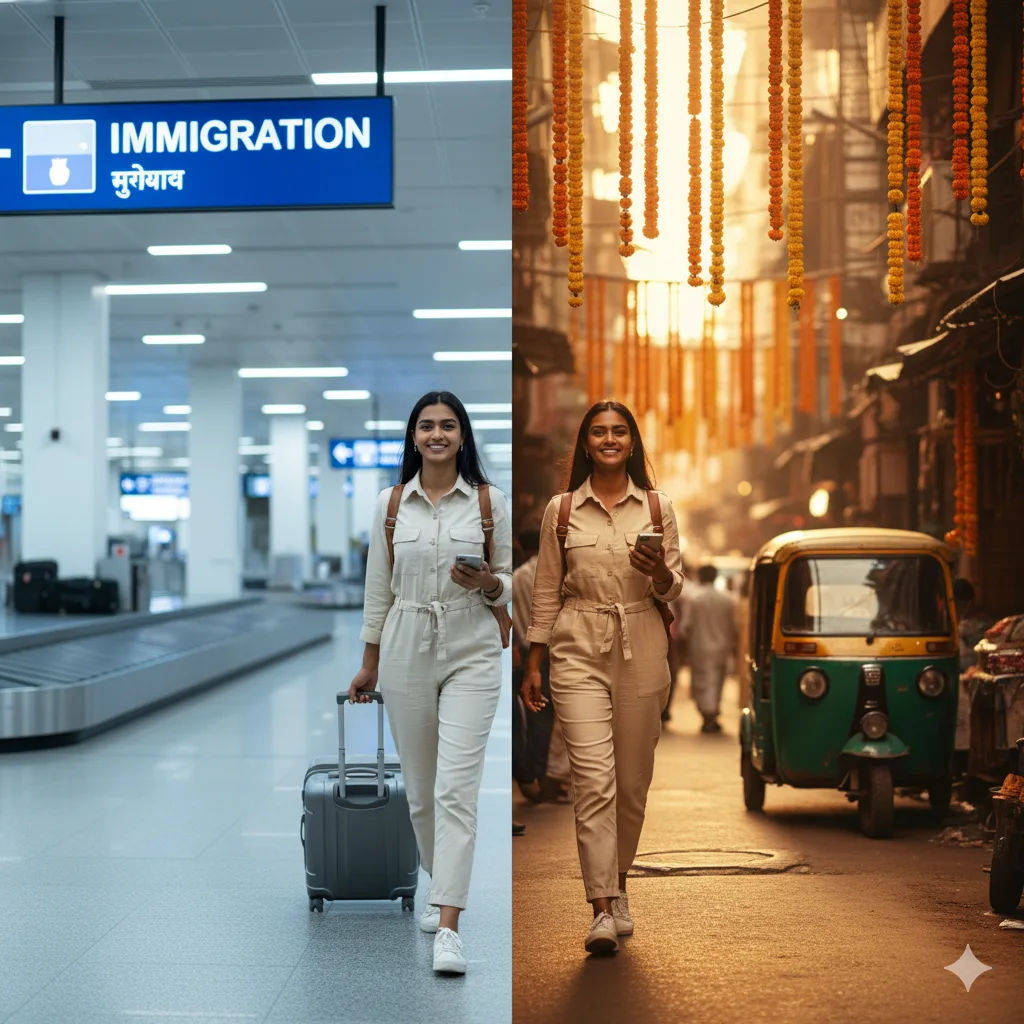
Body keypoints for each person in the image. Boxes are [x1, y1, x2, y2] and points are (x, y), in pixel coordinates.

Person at [348, 391, 511, 976]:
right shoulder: (391, 504)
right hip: (405, 642)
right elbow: (378, 588)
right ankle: (440, 879)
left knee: (455, 791)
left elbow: (507, 581)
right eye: (426, 426)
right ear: (414, 438)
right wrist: (368, 662)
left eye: (447, 425)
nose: (437, 434)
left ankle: (449, 925)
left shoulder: (489, 501)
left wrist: (487, 582)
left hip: (471, 644)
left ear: (462, 436)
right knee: (421, 793)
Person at [521, 400, 684, 955]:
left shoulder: (658, 508)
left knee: (632, 784)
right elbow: (547, 589)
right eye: (598, 432)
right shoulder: (562, 510)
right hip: (577, 646)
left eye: (619, 432)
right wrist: (534, 662)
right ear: (586, 444)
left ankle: (619, 885)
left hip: (642, 642)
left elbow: (674, 585)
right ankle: (601, 908)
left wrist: (658, 572)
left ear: (632, 443)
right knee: (593, 781)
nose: (609, 440)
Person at [512, 529, 569, 804]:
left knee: (535, 715)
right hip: (558, 650)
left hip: (527, 653)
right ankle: (549, 777)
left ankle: (538, 775)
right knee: (558, 717)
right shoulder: (558, 573)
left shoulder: (517, 577)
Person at [681, 564, 738, 734]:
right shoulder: (727, 599)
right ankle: (712, 714)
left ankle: (708, 716)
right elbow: (734, 627)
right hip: (722, 647)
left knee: (703, 682)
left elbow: (685, 626)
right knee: (717, 681)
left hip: (699, 647)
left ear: (700, 576)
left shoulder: (694, 599)